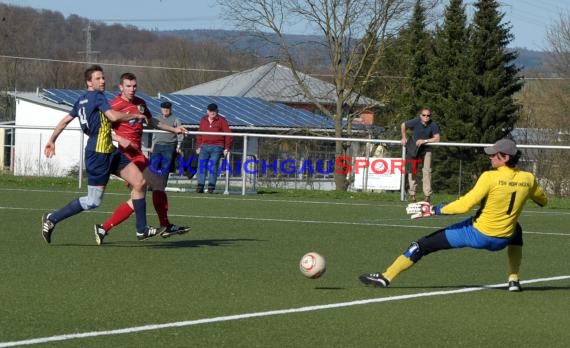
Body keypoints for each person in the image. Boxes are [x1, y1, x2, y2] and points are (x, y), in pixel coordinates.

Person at [359, 138, 547, 292]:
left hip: (476, 234)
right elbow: (543, 201)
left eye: (494, 154)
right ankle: (513, 279)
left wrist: (434, 209)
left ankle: (386, 276)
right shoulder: (528, 178)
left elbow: (464, 205)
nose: (490, 157)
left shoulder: (490, 177)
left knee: (421, 245)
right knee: (517, 229)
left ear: (505, 157)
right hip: (502, 240)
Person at [42, 65, 164, 244]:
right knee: (93, 202)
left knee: (140, 182)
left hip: (110, 151)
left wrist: (52, 139)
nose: (103, 81)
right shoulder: (97, 96)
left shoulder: (81, 100)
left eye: (104, 78)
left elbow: (65, 120)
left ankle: (141, 229)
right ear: (89, 82)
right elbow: (113, 117)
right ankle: (52, 218)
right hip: (97, 155)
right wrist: (134, 115)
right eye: (98, 78)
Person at [93, 72, 191, 245]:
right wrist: (120, 139)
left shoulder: (140, 103)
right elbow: (101, 130)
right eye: (128, 86)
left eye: (134, 86)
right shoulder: (114, 105)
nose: (132, 89)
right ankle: (165, 225)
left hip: (138, 155)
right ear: (121, 87)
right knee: (157, 182)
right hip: (126, 156)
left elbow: (151, 121)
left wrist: (174, 130)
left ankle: (103, 227)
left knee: (137, 198)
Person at [401, 108, 440, 202]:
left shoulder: (433, 124)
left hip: (427, 149)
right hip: (414, 149)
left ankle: (427, 196)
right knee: (412, 170)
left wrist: (425, 141)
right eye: (424, 115)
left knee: (427, 171)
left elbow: (437, 138)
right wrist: (403, 137)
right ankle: (412, 194)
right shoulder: (415, 121)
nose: (426, 117)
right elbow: (403, 125)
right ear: (420, 116)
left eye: (428, 115)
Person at [195, 103, 232, 193]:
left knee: (212, 164)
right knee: (201, 164)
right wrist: (199, 146)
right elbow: (199, 134)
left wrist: (227, 148)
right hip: (204, 146)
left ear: (217, 111)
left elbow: (228, 135)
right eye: (211, 111)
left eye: (214, 111)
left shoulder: (222, 120)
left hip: (217, 146)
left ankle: (211, 186)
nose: (212, 112)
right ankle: (200, 185)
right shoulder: (203, 120)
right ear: (207, 111)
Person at [151, 101, 184, 188]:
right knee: (153, 166)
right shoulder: (156, 119)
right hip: (157, 145)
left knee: (165, 167)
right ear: (161, 109)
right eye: (164, 108)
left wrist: (178, 146)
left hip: (169, 146)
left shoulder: (176, 119)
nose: (165, 110)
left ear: (170, 109)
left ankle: (161, 186)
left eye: (167, 108)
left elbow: (180, 133)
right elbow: (154, 133)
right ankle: (151, 185)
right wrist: (152, 145)